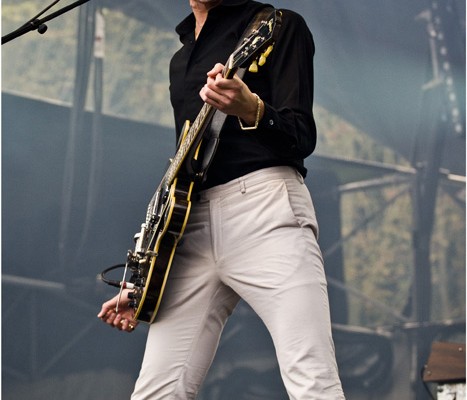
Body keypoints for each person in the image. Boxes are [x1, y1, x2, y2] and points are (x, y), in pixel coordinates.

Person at [98, 0, 345, 398]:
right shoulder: (180, 60)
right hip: (191, 228)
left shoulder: (278, 26)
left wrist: (252, 108)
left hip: (264, 208)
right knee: (156, 392)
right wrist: (149, 280)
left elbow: (302, 135)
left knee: (311, 376)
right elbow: (185, 169)